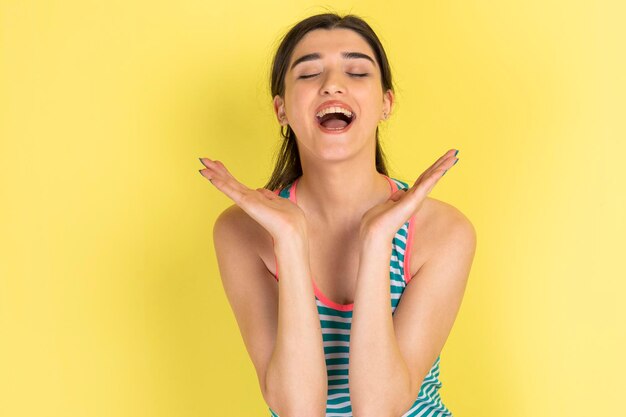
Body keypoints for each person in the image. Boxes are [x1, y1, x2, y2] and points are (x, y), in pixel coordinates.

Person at [199, 13, 476, 417]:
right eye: (309, 73)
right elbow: (298, 410)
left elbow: (379, 409)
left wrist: (377, 241)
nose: (332, 83)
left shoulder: (442, 231)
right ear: (281, 109)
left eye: (357, 72)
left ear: (386, 103)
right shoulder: (243, 231)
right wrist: (290, 241)